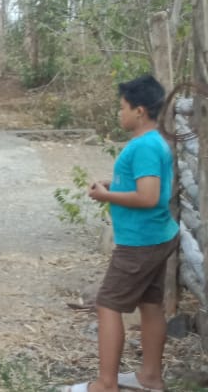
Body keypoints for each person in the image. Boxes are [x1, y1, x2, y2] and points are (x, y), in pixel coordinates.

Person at [63, 74, 177, 392]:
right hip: (157, 236)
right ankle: (151, 377)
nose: (119, 113)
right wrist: (117, 186)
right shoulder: (155, 142)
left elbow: (149, 197)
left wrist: (105, 196)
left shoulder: (144, 146)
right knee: (151, 303)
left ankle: (105, 383)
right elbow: (146, 187)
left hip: (140, 241)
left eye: (122, 107)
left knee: (108, 305)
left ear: (139, 111)